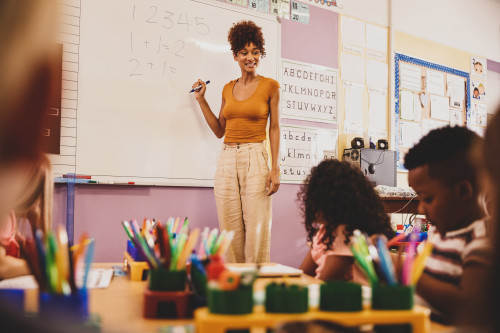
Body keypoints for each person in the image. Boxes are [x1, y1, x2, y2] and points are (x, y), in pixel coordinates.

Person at [191, 21, 280, 263]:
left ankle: (255, 288)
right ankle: (234, 289)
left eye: (255, 52)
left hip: (256, 157)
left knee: (256, 230)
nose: (250, 57)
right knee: (229, 231)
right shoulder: (227, 89)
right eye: (244, 52)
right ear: (235, 56)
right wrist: (201, 101)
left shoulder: (270, 86)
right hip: (227, 157)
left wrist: (274, 168)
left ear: (260, 53)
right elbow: (220, 130)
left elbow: (274, 127)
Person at [404, 126, 490, 325]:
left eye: (427, 199)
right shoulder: (437, 233)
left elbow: (469, 305)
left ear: (463, 192)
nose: (420, 209)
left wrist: (411, 274)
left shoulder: (481, 239)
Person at [298, 159, 394, 282]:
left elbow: (327, 282)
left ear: (338, 203)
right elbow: (303, 274)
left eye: (320, 201)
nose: (313, 207)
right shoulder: (326, 230)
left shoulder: (345, 232)